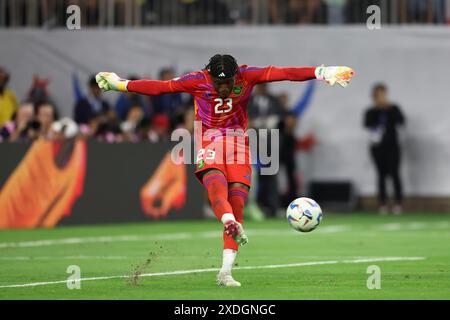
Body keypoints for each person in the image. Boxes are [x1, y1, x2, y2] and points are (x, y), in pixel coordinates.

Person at [95, 54, 354, 287]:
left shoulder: (247, 75)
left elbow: (284, 73)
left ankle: (225, 272)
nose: (223, 88)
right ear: (210, 76)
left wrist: (322, 72)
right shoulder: (196, 80)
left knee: (237, 202)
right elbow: (160, 88)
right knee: (217, 189)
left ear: (234, 77)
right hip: (208, 140)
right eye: (218, 84)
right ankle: (228, 222)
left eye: (227, 83)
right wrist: (120, 83)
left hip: (239, 144)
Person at [364, 83, 406, 215]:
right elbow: (367, 124)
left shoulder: (393, 108)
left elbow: (401, 121)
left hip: (392, 146)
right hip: (378, 147)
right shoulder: (371, 111)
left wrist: (388, 108)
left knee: (394, 173)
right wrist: (378, 109)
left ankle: (398, 203)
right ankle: (382, 203)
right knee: (381, 175)